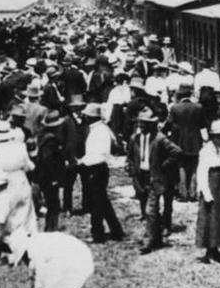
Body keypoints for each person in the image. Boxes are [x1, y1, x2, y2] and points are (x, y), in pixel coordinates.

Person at [129, 107, 182, 254]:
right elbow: (130, 158)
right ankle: (157, 237)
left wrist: (163, 166)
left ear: (151, 124)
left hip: (155, 177)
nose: (141, 126)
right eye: (140, 123)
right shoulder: (135, 138)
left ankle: (148, 241)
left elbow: (176, 152)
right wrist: (133, 173)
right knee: (148, 208)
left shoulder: (159, 138)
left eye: (144, 123)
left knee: (150, 210)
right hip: (141, 178)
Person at [79, 103, 124, 243]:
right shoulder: (98, 129)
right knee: (103, 202)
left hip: (96, 169)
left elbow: (99, 154)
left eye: (86, 115)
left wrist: (82, 162)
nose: (84, 117)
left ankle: (97, 233)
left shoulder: (100, 131)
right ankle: (116, 230)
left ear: (92, 117)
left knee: (96, 203)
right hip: (95, 167)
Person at [195, 120, 220, 264]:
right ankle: (209, 250)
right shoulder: (207, 150)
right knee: (210, 218)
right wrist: (205, 192)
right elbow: (202, 172)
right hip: (211, 185)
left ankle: (216, 249)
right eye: (218, 136)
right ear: (212, 136)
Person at [168, 85, 205, 201]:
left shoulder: (175, 108)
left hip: (180, 141)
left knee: (181, 166)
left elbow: (170, 125)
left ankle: (183, 193)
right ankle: (193, 192)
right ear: (190, 95)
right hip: (195, 141)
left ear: (179, 96)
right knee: (194, 166)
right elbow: (203, 125)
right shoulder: (198, 107)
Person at [35, 110, 68, 231]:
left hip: (44, 177)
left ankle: (51, 228)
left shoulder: (43, 136)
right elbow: (48, 160)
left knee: (52, 204)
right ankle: (51, 229)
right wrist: (54, 178)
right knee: (53, 205)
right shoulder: (51, 140)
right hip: (49, 178)